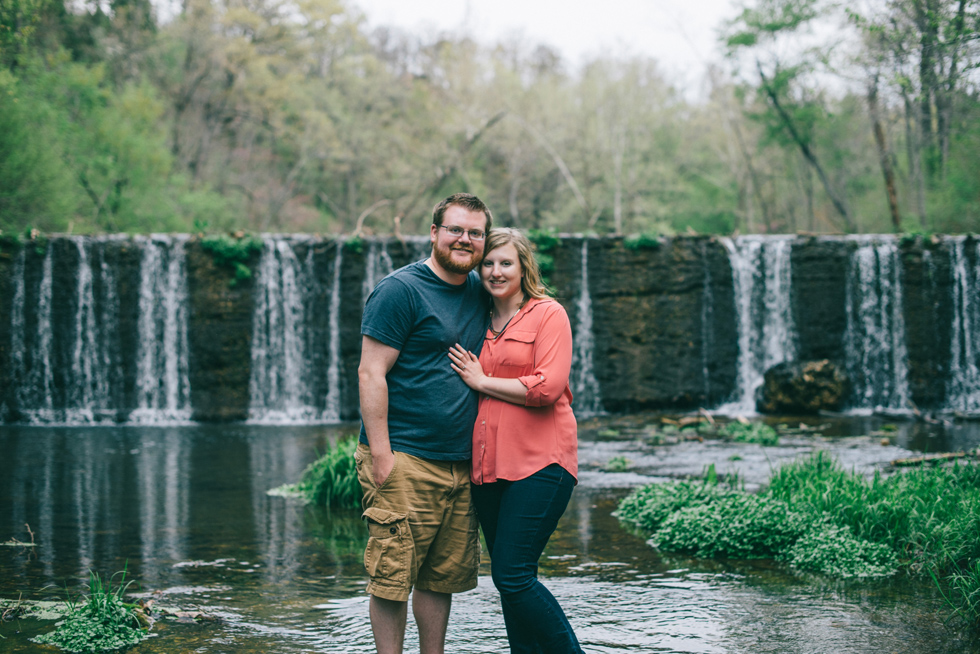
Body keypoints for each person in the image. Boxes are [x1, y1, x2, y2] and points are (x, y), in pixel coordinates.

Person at [356, 192, 492, 654]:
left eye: (475, 233)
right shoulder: (400, 290)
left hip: (460, 464)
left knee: (440, 579)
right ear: (434, 233)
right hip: (406, 458)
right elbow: (371, 372)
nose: (464, 239)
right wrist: (381, 456)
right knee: (392, 578)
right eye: (455, 229)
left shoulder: (481, 289)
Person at [448, 228, 583, 654]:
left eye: (505, 262)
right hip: (489, 471)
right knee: (512, 582)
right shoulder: (475, 318)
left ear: (524, 266)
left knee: (512, 575)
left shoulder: (548, 314)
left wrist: (482, 380)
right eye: (487, 263)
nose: (495, 271)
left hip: (542, 464)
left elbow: (548, 386)